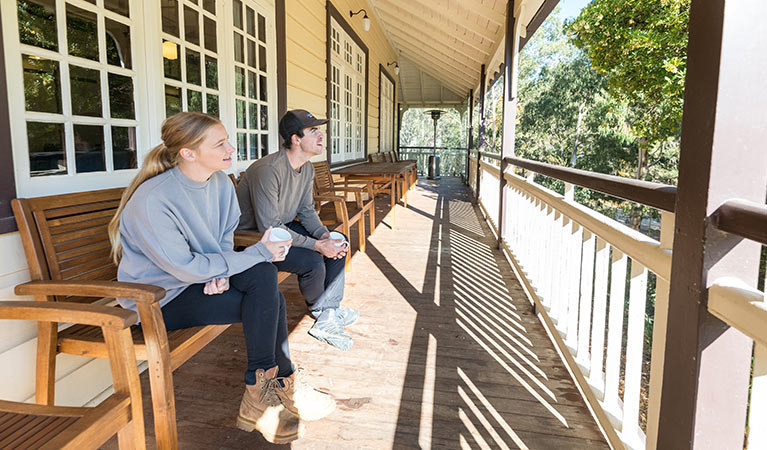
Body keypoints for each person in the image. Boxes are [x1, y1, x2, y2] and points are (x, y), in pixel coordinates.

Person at [108, 112, 333, 444]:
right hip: (157, 299)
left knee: (263, 281)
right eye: (220, 143)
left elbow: (224, 240)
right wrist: (232, 265)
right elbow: (182, 267)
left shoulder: (220, 185)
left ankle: (269, 390)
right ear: (188, 153)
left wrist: (224, 273)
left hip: (197, 281)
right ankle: (271, 391)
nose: (232, 148)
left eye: (228, 139)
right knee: (265, 289)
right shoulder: (153, 199)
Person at [237, 109, 359, 351]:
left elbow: (306, 211)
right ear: (295, 138)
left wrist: (324, 236)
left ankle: (330, 310)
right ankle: (321, 311)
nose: (321, 135)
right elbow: (268, 226)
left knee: (338, 240)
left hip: (281, 228)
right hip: (255, 239)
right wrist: (316, 245)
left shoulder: (307, 168)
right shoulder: (268, 169)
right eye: (313, 131)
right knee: (313, 260)